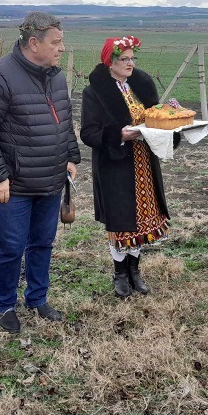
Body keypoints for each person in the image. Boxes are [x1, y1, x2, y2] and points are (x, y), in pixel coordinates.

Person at [0, 11, 80, 334]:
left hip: (51, 178)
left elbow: (64, 121)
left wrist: (70, 156)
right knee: (12, 246)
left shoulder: (55, 76)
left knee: (43, 242)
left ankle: (37, 298)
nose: (61, 48)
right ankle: (4, 304)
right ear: (34, 43)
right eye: (56, 43)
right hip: (14, 183)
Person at [80, 36, 174, 298]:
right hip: (115, 166)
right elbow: (88, 133)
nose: (130, 63)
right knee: (122, 223)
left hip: (143, 163)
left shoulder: (141, 86)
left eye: (133, 58)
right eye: (124, 59)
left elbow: (154, 116)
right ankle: (120, 275)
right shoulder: (95, 92)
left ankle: (135, 272)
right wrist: (118, 135)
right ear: (110, 62)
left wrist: (169, 119)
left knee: (141, 221)